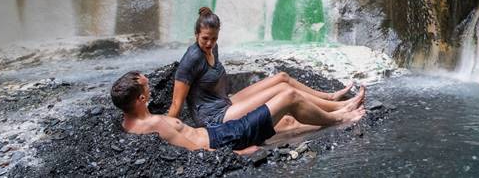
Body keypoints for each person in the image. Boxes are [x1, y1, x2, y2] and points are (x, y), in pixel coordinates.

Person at [168, 7, 360, 126]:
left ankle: (329, 97)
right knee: (286, 93)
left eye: (214, 38)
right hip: (213, 118)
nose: (209, 43)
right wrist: (166, 131)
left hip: (224, 102)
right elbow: (177, 104)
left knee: (283, 78)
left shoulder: (213, 48)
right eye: (205, 39)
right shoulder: (191, 59)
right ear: (195, 35)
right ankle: (338, 109)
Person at [111, 71, 365, 153]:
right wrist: (238, 153)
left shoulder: (130, 122)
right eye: (147, 88)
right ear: (141, 99)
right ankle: (340, 117)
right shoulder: (159, 124)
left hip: (217, 131)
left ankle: (337, 107)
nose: (152, 89)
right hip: (227, 138)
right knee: (289, 97)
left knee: (287, 120)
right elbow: (195, 152)